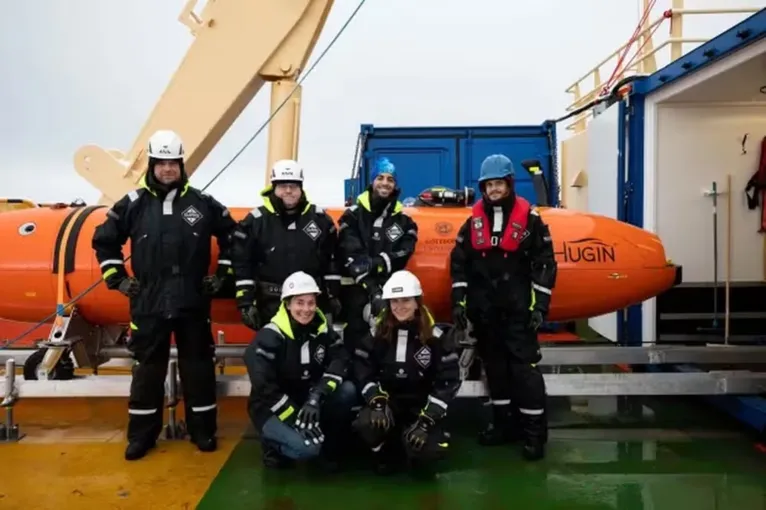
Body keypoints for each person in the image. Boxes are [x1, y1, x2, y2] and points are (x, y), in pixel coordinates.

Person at [92, 129, 237, 461]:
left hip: (192, 301)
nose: (168, 169)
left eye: (174, 163)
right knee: (147, 371)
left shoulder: (202, 203)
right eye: (162, 163)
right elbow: (104, 240)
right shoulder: (133, 204)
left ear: (182, 165)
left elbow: (234, 236)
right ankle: (142, 437)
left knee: (198, 369)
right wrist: (117, 278)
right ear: (152, 165)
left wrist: (222, 274)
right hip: (148, 302)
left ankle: (203, 432)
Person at [449, 153, 557, 461]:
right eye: (489, 185)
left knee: (524, 372)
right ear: (483, 188)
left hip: (518, 310)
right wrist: (459, 302)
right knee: (495, 369)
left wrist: (540, 307)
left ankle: (534, 434)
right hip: (485, 312)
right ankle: (503, 425)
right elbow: (460, 265)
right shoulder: (471, 225)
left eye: (499, 184)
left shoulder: (532, 222)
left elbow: (545, 265)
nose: (494, 190)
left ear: (509, 184)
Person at [243, 271, 357, 470]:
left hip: (306, 401)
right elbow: (263, 387)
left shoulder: (322, 330)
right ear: (287, 304)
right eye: (299, 302)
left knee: (347, 391)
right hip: (272, 408)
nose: (306, 309)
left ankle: (328, 443)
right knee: (308, 449)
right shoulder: (270, 336)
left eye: (311, 302)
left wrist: (316, 397)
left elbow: (341, 359)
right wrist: (295, 418)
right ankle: (272, 445)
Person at [352, 270, 461, 476]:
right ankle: (382, 452)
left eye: (405, 301)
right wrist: (375, 399)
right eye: (394, 302)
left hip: (421, 406)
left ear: (417, 302)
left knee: (429, 452)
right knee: (367, 424)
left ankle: (411, 449)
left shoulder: (435, 337)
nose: (399, 307)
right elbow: (362, 368)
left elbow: (448, 381)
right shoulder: (377, 333)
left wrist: (427, 420)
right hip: (387, 403)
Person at [231, 159, 341, 332]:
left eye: (293, 186)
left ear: (301, 188)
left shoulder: (320, 220)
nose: (288, 191)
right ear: (274, 188)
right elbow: (242, 263)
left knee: (314, 354)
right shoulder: (255, 221)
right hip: (270, 303)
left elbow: (331, 262)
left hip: (310, 305)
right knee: (275, 353)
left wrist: (333, 296)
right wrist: (245, 302)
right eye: (283, 186)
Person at [337, 157, 418, 352]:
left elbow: (403, 253)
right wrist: (373, 289)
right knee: (354, 348)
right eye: (380, 177)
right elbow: (352, 256)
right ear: (372, 181)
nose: (385, 183)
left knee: (386, 350)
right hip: (356, 294)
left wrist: (378, 262)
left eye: (390, 179)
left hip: (392, 297)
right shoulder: (353, 216)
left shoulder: (405, 221)